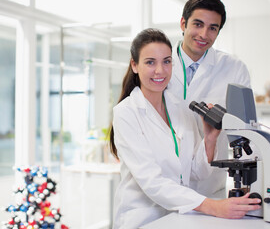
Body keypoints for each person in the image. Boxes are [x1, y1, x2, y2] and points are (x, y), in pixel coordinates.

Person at [109, 28, 260, 229]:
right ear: (134, 65)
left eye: (166, 61)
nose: (160, 71)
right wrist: (214, 206)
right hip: (144, 220)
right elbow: (153, 182)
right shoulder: (126, 112)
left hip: (179, 219)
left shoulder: (178, 106)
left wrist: (209, 139)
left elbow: (195, 172)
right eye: (150, 62)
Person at [167, 0, 251, 197]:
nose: (204, 34)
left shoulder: (234, 68)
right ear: (183, 23)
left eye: (213, 28)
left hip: (208, 186)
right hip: (163, 182)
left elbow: (246, 129)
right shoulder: (159, 63)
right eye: (197, 24)